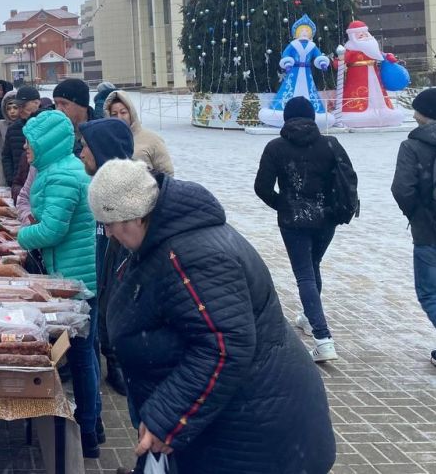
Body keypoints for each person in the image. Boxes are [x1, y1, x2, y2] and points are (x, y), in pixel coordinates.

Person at [88, 159, 335, 474]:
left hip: (256, 427)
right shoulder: (162, 240)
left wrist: (169, 418)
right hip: (230, 418)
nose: (108, 233)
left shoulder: (194, 255)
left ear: (136, 214)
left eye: (111, 222)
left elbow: (223, 347)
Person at [16, 110, 101, 457]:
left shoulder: (63, 175)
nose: (25, 147)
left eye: (30, 141)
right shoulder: (58, 169)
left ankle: (89, 433)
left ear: (46, 143)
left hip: (76, 279)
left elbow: (52, 231)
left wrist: (19, 237)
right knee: (85, 353)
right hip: (71, 273)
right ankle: (94, 426)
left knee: (81, 356)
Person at [254, 96, 352, 362]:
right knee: (313, 265)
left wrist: (284, 205)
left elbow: (261, 187)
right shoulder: (330, 144)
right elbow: (346, 180)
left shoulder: (276, 147)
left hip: (294, 222)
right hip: (327, 219)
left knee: (305, 275)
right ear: (312, 117)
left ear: (286, 118)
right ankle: (310, 318)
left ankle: (323, 338)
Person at [78, 118, 135, 397]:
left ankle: (117, 365)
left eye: (86, 147)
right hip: (96, 274)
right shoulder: (96, 187)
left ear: (102, 150)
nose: (81, 153)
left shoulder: (128, 196)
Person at [391, 87, 436, 367]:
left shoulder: (412, 146)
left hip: (428, 231)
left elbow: (402, 189)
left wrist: (417, 215)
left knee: (431, 292)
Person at [258, 15, 334, 128]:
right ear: (296, 32)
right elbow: (286, 54)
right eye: (301, 30)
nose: (304, 32)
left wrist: (322, 62)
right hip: (294, 71)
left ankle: (312, 111)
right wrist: (287, 63)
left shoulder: (312, 46)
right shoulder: (293, 45)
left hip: (307, 72)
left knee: (309, 90)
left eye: (306, 31)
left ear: (310, 33)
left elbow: (318, 55)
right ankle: (281, 109)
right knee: (289, 88)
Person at [337, 20, 404, 127]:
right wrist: (339, 60)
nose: (362, 35)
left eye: (364, 33)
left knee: (376, 92)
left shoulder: (371, 47)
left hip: (374, 74)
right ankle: (356, 112)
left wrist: (388, 56)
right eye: (359, 34)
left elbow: (380, 55)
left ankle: (382, 110)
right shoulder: (350, 48)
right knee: (360, 93)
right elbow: (339, 62)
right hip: (357, 77)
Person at [105, 90, 174, 175]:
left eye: (123, 112)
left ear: (131, 113)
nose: (119, 117)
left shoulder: (153, 140)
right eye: (114, 114)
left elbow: (167, 174)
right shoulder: (107, 142)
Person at [2, 86, 41, 197]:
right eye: (18, 106)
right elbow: (6, 156)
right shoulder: (13, 128)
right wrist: (12, 179)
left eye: (23, 105)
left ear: (37, 103)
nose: (20, 109)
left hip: (39, 187)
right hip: (19, 185)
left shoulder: (47, 127)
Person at [53, 79, 96, 153]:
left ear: (81, 105)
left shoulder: (100, 131)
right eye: (56, 103)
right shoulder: (51, 131)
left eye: (64, 104)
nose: (58, 109)